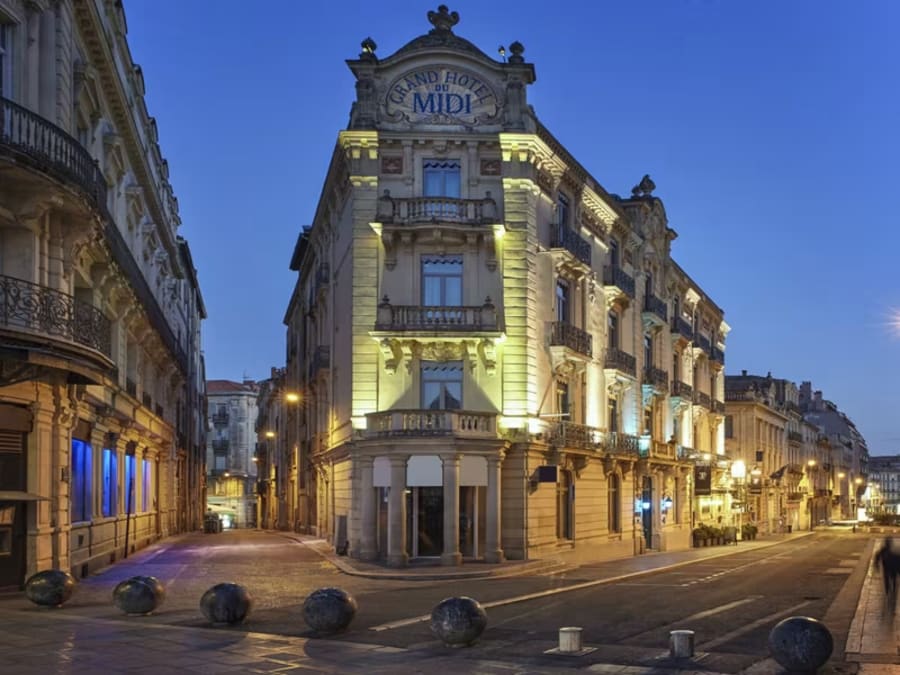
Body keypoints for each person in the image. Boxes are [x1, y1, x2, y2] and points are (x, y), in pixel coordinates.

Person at [873, 537, 899, 609]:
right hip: (889, 569)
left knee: (890, 580)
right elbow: (877, 558)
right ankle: (890, 591)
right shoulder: (888, 550)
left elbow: (877, 558)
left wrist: (876, 566)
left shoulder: (885, 551)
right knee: (890, 580)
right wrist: (876, 566)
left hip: (889, 569)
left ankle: (890, 591)